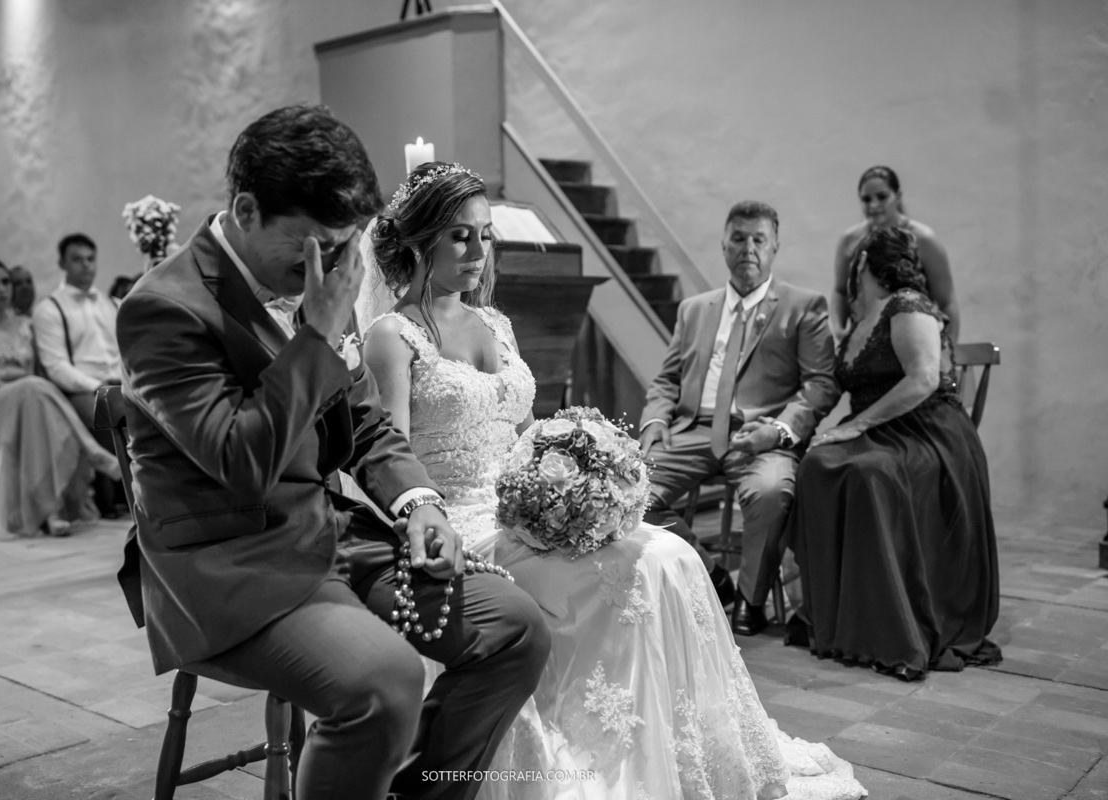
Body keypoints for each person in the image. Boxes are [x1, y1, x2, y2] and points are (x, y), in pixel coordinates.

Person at [363, 162, 865, 800]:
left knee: (668, 555)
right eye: (459, 236)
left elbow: (522, 429)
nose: (477, 251)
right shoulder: (393, 335)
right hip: (458, 517)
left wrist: (573, 470)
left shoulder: (496, 324)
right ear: (420, 239)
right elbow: (391, 452)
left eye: (485, 236)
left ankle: (673, 754)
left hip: (522, 503)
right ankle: (610, 764)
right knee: (615, 579)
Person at [114, 106, 549, 800]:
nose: (337, 264)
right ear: (247, 209)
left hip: (332, 537)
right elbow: (241, 464)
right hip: (228, 564)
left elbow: (367, 422)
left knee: (516, 629)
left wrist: (420, 503)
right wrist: (316, 334)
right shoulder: (163, 310)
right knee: (385, 680)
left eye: (345, 244)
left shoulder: (319, 274)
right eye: (314, 243)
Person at [787, 227, 1000, 681]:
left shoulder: (908, 304)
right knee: (819, 464)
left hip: (928, 432)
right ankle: (833, 615)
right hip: (880, 429)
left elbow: (922, 379)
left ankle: (889, 624)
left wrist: (857, 425)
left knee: (868, 473)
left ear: (864, 261)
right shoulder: (860, 318)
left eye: (851, 258)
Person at [638, 202, 839, 636]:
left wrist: (777, 430)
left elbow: (821, 384)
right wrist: (654, 423)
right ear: (724, 245)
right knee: (626, 488)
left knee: (770, 491)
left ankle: (752, 599)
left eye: (758, 239)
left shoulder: (803, 307)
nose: (748, 248)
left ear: (774, 248)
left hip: (760, 435)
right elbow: (667, 379)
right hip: (692, 429)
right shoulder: (694, 310)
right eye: (739, 238)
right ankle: (711, 577)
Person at [0, 260, 120, 539]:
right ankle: (92, 451)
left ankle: (50, 512)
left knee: (34, 405)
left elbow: (36, 373)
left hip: (26, 407)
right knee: (30, 388)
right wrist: (18, 389)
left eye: (6, 282)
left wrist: (24, 391)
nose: (2, 289)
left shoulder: (25, 325)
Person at [33, 233, 123, 517]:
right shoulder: (49, 308)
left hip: (119, 380)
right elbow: (56, 365)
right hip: (80, 388)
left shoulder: (113, 304)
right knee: (110, 410)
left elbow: (126, 351)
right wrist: (97, 385)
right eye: (77, 259)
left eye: (90, 259)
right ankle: (131, 494)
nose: (85, 266)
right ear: (62, 263)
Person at [832, 166, 959, 342]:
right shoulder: (851, 240)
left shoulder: (923, 240)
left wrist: (948, 351)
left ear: (898, 196)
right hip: (864, 341)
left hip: (913, 338)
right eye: (866, 199)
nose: (873, 205)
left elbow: (947, 302)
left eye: (882, 197)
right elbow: (840, 291)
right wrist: (838, 328)